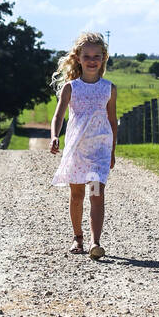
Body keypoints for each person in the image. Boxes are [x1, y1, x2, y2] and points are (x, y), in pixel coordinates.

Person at [50, 31, 117, 259]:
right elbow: (58, 116)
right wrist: (54, 135)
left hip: (99, 151)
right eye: (86, 55)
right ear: (78, 57)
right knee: (77, 194)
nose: (91, 60)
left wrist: (112, 151)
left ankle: (95, 242)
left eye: (96, 56)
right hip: (77, 151)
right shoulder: (71, 88)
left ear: (103, 58)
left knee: (96, 192)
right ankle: (77, 237)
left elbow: (112, 120)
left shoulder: (109, 88)